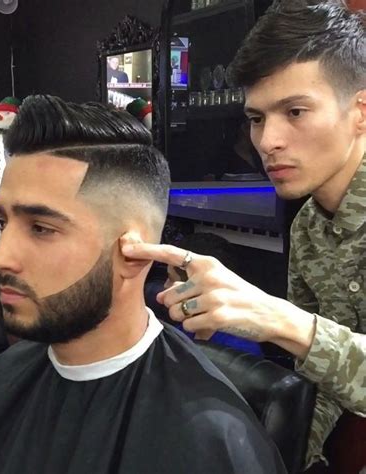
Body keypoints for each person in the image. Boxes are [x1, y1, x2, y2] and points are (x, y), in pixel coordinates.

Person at [0, 95, 286, 474]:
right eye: (2, 224)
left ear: (134, 254)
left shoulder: (209, 441)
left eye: (41, 228)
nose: (0, 257)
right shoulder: (7, 375)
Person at [121, 1, 365, 470]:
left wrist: (278, 318)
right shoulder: (311, 228)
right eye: (257, 118)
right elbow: (326, 387)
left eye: (295, 111)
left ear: (360, 111)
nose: (268, 140)